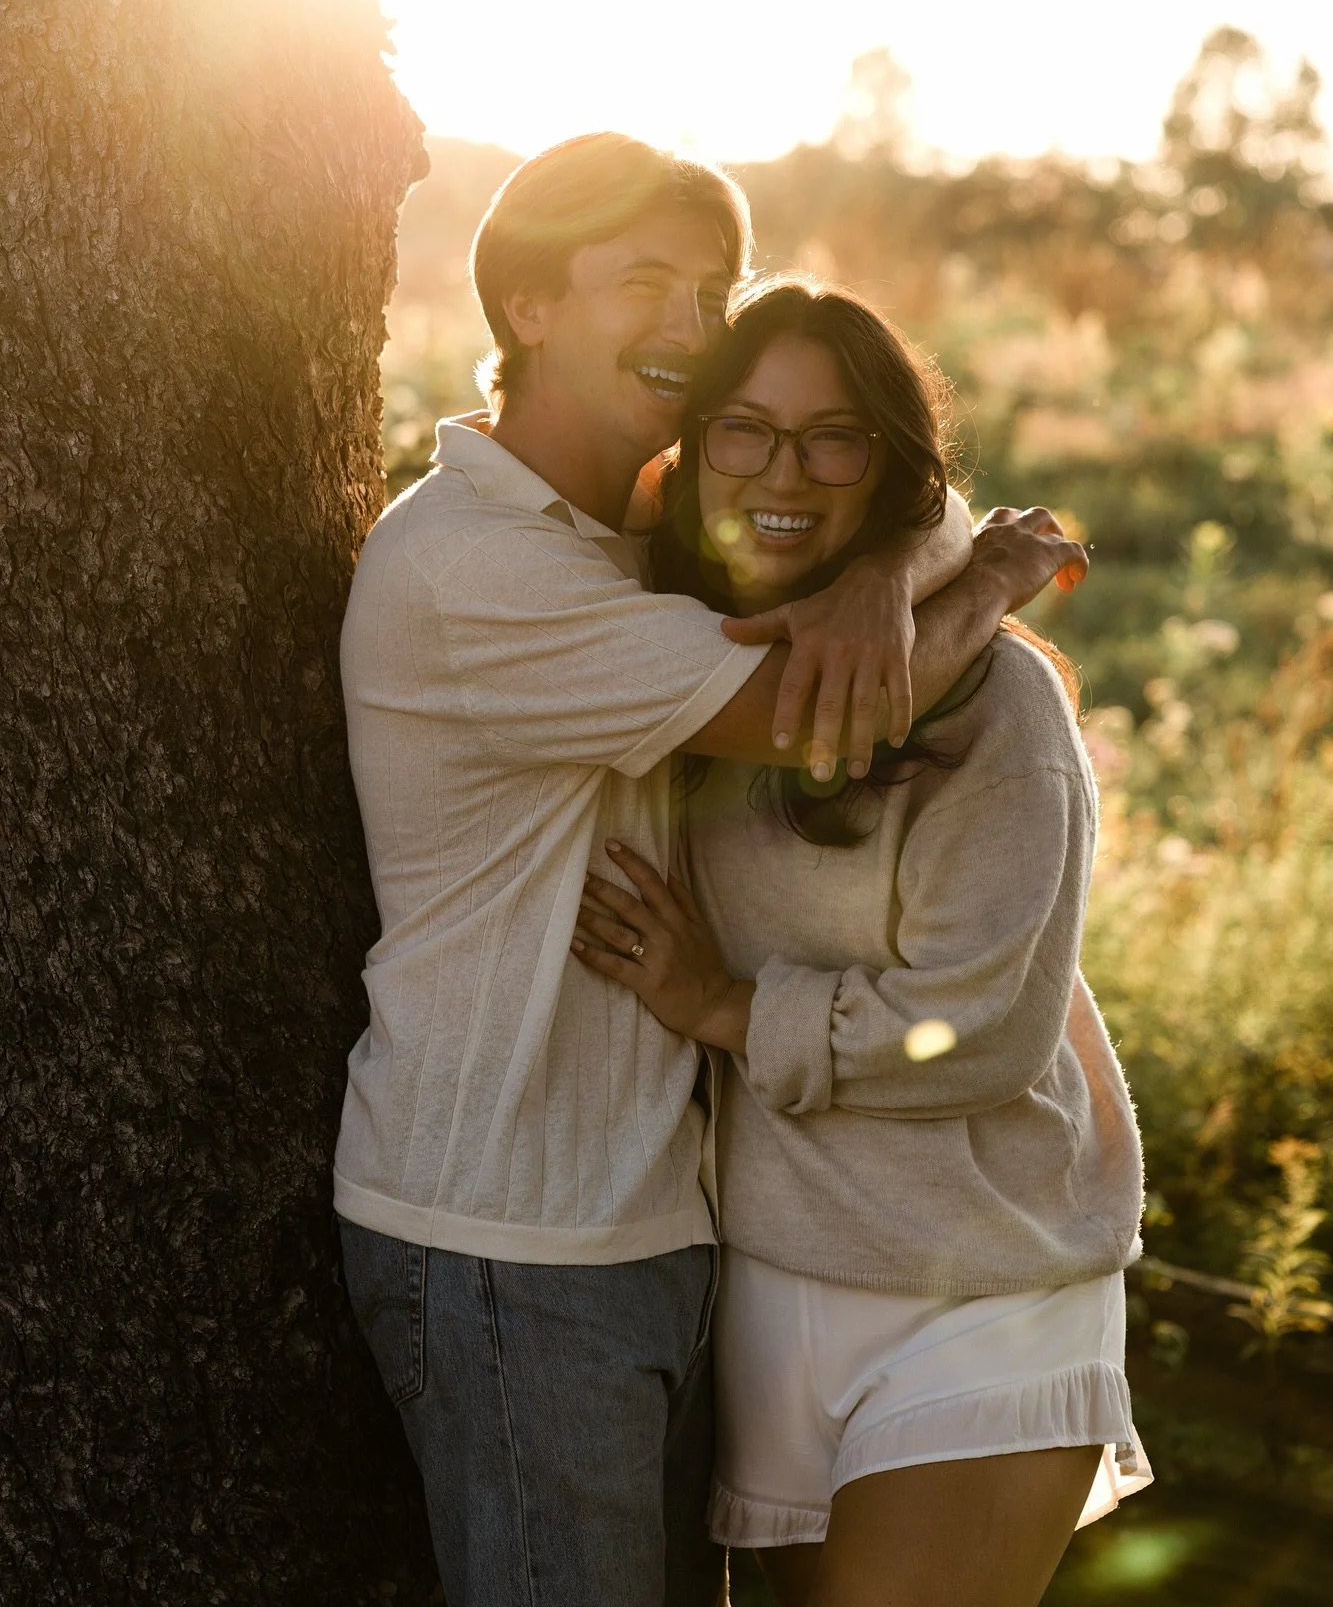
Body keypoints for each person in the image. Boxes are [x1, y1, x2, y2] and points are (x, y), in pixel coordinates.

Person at [333, 134, 1087, 1607]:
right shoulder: (477, 568)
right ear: (529, 305)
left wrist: (890, 568)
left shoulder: (637, 543)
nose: (688, 327)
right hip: (512, 1236)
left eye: (709, 288)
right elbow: (817, 716)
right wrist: (992, 576)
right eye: (641, 284)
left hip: (659, 1230)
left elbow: (886, 485)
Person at [571, 277, 1149, 1607]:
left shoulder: (997, 702)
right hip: (773, 1284)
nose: (785, 472)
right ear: (695, 446)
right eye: (747, 431)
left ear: (886, 467)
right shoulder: (682, 651)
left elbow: (988, 1029)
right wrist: (942, 561)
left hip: (986, 1282)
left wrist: (723, 1007)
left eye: (836, 438)